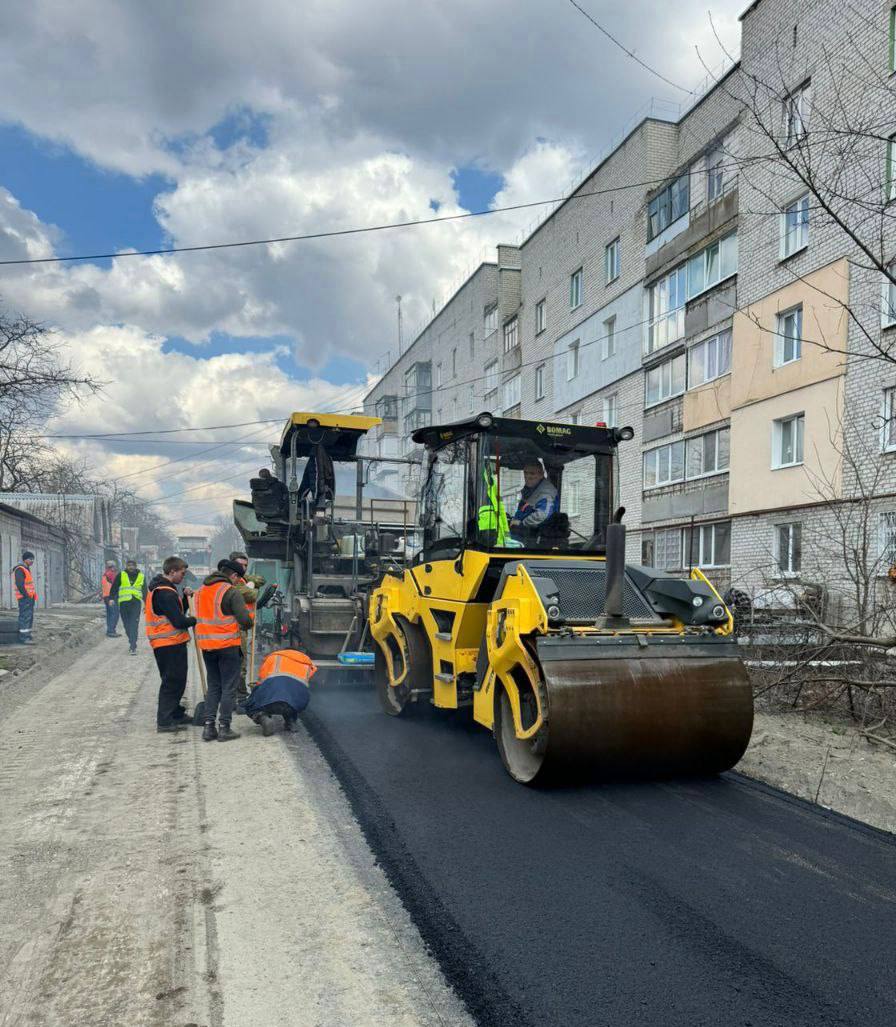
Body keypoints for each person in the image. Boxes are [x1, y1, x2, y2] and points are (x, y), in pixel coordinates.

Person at [194, 559, 253, 742]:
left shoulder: (201, 590)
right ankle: (224, 728)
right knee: (229, 687)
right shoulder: (230, 591)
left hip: (207, 646)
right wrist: (249, 620)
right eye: (237, 578)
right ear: (233, 575)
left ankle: (209, 727)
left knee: (214, 686)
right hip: (227, 646)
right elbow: (244, 619)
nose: (237, 582)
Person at [146, 557, 197, 732]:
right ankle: (165, 721)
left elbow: (174, 612)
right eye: (182, 573)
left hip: (168, 643)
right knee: (172, 682)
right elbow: (178, 621)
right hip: (169, 644)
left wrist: (184, 598)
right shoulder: (165, 593)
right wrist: (193, 620)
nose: (183, 576)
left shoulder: (164, 589)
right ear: (172, 571)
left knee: (176, 680)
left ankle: (175, 713)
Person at [243, 648, 315, 735]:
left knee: (250, 704)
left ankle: (262, 717)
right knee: (292, 694)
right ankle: (291, 721)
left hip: (271, 702)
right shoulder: (307, 664)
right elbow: (302, 687)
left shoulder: (274, 657)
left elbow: (261, 681)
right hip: (296, 704)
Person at [227, 551, 265, 696]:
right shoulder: (233, 583)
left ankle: (237, 694)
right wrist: (252, 585)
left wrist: (250, 581)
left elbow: (261, 579)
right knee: (239, 663)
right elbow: (251, 595)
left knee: (239, 662)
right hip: (236, 627)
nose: (243, 568)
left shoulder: (241, 579)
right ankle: (241, 696)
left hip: (243, 627)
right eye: (239, 565)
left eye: (245, 565)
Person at [510, 460, 559, 539]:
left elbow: (542, 515)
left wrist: (521, 523)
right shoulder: (530, 489)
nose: (527, 476)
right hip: (523, 533)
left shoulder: (546, 492)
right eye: (525, 473)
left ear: (541, 474)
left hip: (536, 537)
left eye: (532, 473)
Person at [111, 559, 146, 655]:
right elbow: (114, 587)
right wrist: (111, 598)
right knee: (126, 625)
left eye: (132, 565)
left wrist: (147, 603)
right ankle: (131, 639)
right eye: (129, 565)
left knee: (134, 624)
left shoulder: (141, 576)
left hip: (135, 603)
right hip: (124, 603)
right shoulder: (121, 575)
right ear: (126, 566)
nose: (131, 567)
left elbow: (145, 591)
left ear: (135, 566)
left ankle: (133, 646)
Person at [12, 552, 38, 645]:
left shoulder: (26, 569)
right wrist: (26, 595)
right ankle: (23, 638)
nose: (32, 561)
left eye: (33, 559)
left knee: (29, 617)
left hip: (29, 598)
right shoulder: (20, 569)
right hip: (24, 598)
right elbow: (20, 584)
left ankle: (28, 635)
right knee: (25, 617)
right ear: (25, 559)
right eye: (30, 559)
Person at [101, 561, 120, 638]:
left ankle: (110, 631)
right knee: (114, 614)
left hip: (106, 597)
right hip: (111, 597)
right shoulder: (111, 574)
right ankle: (111, 631)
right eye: (114, 567)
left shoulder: (105, 574)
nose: (115, 568)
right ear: (112, 567)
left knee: (110, 614)